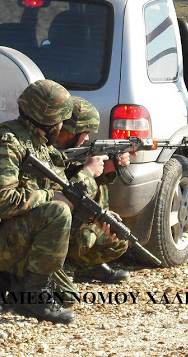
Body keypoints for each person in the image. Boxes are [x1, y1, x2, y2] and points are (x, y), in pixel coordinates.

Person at [0, 79, 77, 324]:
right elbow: (2, 203)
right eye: (61, 120)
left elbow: (62, 190)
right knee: (58, 212)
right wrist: (51, 197)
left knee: (68, 296)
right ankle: (30, 298)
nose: (62, 126)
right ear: (50, 121)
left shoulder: (41, 146)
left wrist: (97, 216)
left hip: (8, 233)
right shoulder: (5, 143)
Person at [54, 96, 130, 283]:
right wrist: (88, 172)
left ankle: (86, 267)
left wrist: (107, 171)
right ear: (71, 130)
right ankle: (58, 268)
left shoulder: (66, 151)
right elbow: (58, 195)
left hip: (70, 222)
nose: (87, 137)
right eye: (85, 131)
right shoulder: (46, 153)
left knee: (118, 240)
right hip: (49, 230)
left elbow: (70, 178)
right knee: (103, 235)